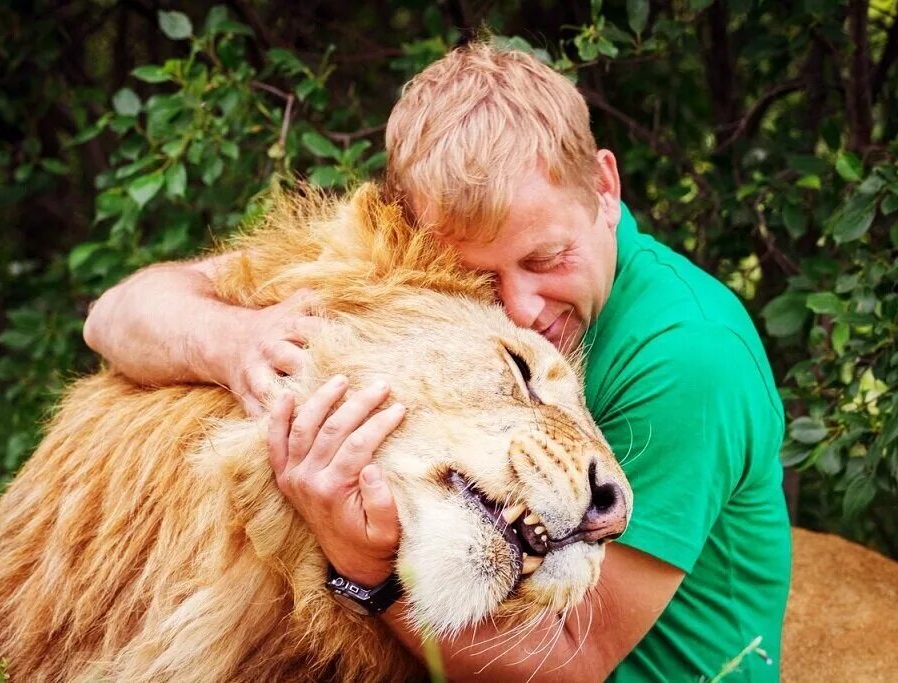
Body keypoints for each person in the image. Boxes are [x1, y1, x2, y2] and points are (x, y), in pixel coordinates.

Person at [84, 42, 791, 681]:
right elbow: (114, 314)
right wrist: (235, 344)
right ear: (415, 231)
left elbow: (572, 660)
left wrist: (366, 571)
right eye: (478, 278)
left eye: (547, 259)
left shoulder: (687, 356)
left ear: (605, 190)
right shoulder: (409, 269)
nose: (520, 307)